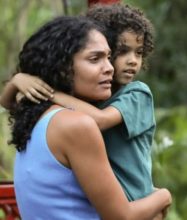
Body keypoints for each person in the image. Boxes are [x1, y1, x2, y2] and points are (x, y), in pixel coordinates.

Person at [0, 15, 171, 219]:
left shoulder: (38, 117)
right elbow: (121, 217)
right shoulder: (77, 125)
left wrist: (18, 82)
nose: (109, 67)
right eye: (94, 59)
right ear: (62, 66)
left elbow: (8, 103)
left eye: (108, 57)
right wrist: (163, 195)